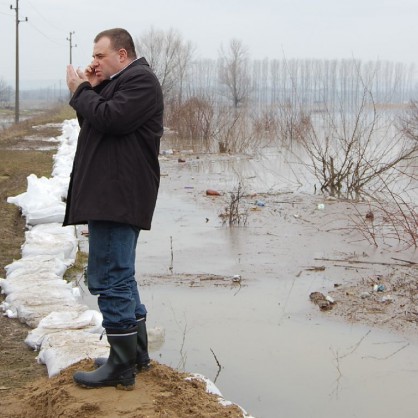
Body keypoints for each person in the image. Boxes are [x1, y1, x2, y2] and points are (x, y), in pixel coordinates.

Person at [64, 28, 163, 390]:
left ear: (122, 55)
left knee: (110, 276)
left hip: (117, 195)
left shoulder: (141, 82)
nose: (94, 62)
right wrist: (92, 88)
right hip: (114, 194)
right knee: (121, 274)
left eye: (100, 56)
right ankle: (134, 355)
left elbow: (110, 119)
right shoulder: (122, 82)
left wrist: (81, 90)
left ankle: (121, 367)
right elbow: (94, 122)